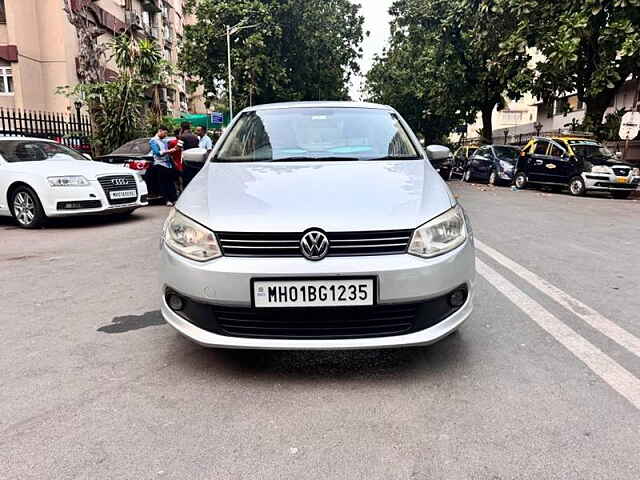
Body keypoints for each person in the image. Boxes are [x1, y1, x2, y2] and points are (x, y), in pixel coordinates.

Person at [149, 125, 177, 206]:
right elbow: (157, 153)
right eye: (164, 133)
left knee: (171, 182)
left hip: (168, 164)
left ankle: (174, 199)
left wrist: (174, 149)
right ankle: (167, 200)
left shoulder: (164, 140)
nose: (165, 135)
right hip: (159, 164)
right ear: (160, 131)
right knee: (163, 183)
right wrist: (169, 151)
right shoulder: (153, 141)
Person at [179, 122, 200, 187]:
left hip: (186, 160)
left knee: (186, 179)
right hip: (196, 160)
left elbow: (179, 148)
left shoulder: (182, 137)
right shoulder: (195, 137)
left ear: (182, 128)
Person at [167, 128, 184, 194]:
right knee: (179, 179)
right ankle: (180, 192)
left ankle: (177, 192)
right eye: (181, 133)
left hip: (175, 163)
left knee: (176, 180)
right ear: (178, 134)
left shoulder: (171, 142)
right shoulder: (177, 142)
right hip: (178, 163)